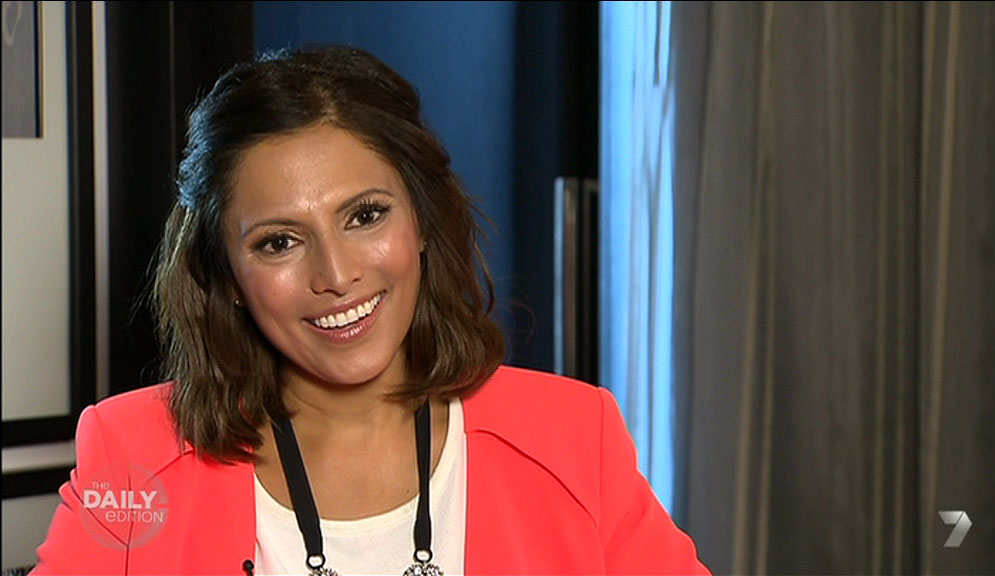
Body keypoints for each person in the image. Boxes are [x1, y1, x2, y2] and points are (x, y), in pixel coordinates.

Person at [32, 45, 709, 575]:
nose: (337, 276)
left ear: (422, 222)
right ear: (226, 274)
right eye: (279, 242)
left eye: (365, 215)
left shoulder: (575, 437)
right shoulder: (131, 456)